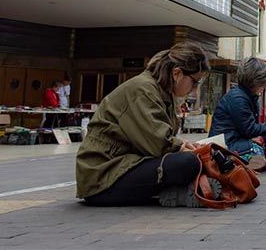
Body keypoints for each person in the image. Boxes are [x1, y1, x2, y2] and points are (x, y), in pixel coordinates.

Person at [76, 42, 212, 207]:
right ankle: (179, 191)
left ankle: (179, 190)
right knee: (188, 162)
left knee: (194, 159)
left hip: (125, 164)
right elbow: (157, 143)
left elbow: (158, 137)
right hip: (103, 177)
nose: (195, 89)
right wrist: (182, 148)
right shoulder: (142, 90)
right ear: (177, 73)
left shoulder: (161, 92)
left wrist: (184, 145)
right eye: (195, 82)